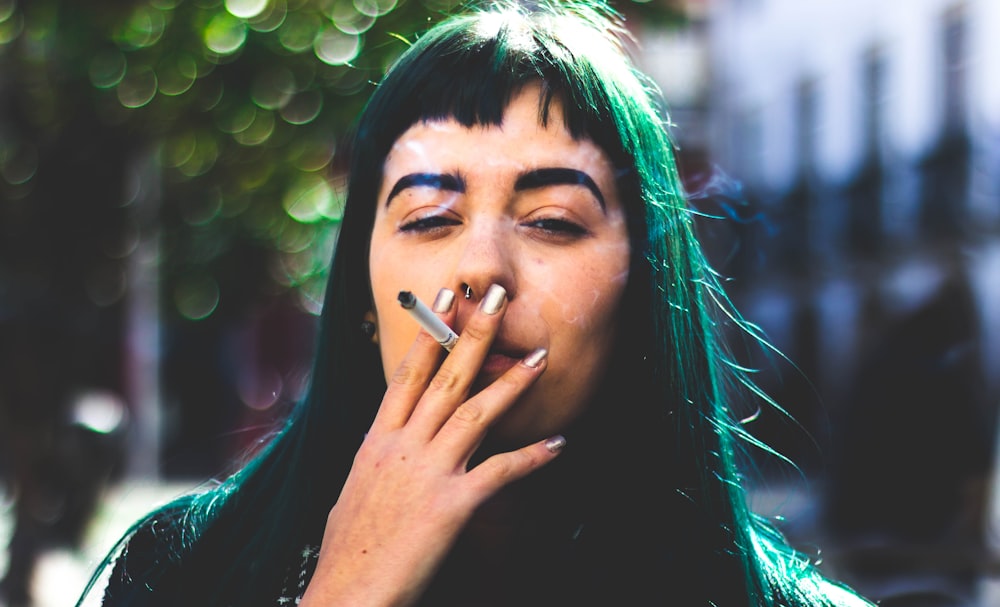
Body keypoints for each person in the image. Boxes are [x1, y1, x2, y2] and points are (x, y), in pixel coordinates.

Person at [79, 1, 873, 605]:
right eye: (430, 218)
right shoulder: (186, 571)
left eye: (553, 222)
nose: (482, 269)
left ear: (645, 293)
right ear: (362, 294)